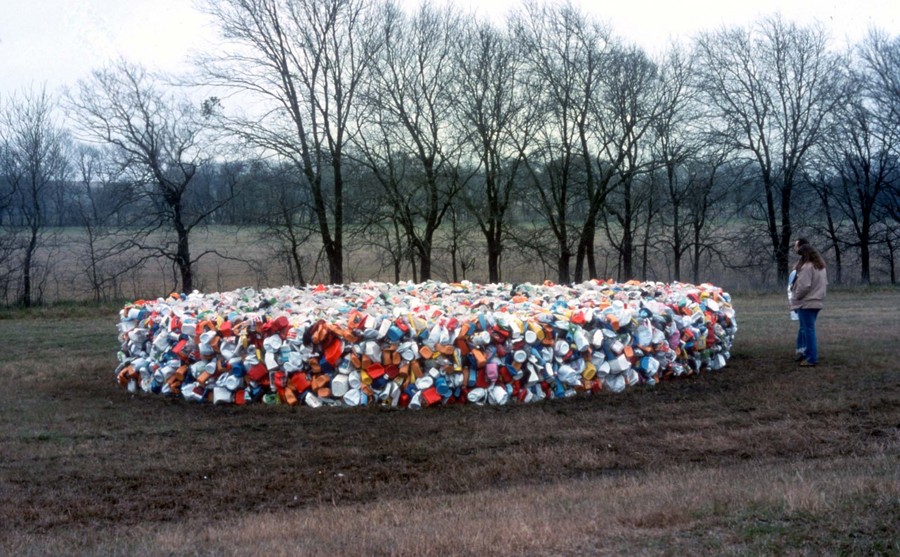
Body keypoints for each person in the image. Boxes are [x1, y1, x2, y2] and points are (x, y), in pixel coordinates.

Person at [790, 243, 827, 367]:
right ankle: (808, 354)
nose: (800, 259)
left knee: (808, 331)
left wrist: (796, 296)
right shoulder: (821, 267)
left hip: (807, 303)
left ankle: (811, 358)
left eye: (801, 256)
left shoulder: (807, 267)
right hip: (816, 302)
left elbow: (804, 286)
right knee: (809, 330)